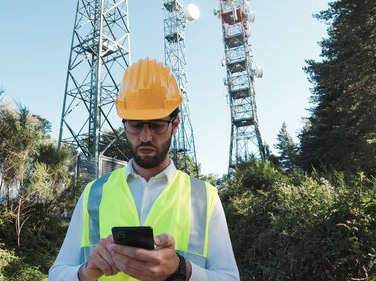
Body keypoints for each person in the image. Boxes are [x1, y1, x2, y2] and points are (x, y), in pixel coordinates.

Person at [48, 58, 240, 281]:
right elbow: (57, 275)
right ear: (124, 123)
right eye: (136, 125)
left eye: (157, 125)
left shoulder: (205, 197)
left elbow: (229, 278)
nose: (145, 137)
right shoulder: (94, 193)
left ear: (175, 124)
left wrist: (182, 270)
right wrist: (86, 271)